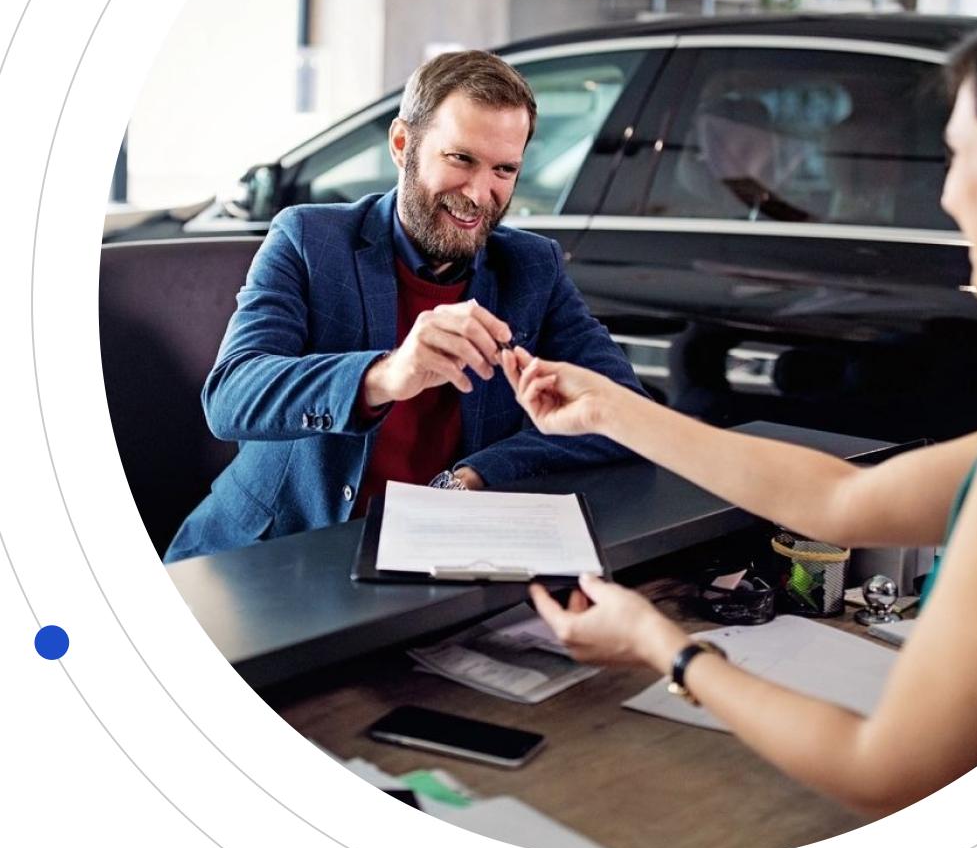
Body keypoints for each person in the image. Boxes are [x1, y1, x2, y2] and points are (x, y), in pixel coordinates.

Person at [501, 0, 977, 818]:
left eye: (953, 154)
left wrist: (666, 649)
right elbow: (844, 502)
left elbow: (891, 770)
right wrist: (610, 410)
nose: (945, 197)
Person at [165, 50, 641, 562]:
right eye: (460, 159)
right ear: (401, 144)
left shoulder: (532, 267)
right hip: (275, 553)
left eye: (504, 169)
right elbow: (231, 397)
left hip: (431, 558)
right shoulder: (308, 238)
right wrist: (387, 375)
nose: (480, 194)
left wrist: (476, 475)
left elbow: (625, 414)